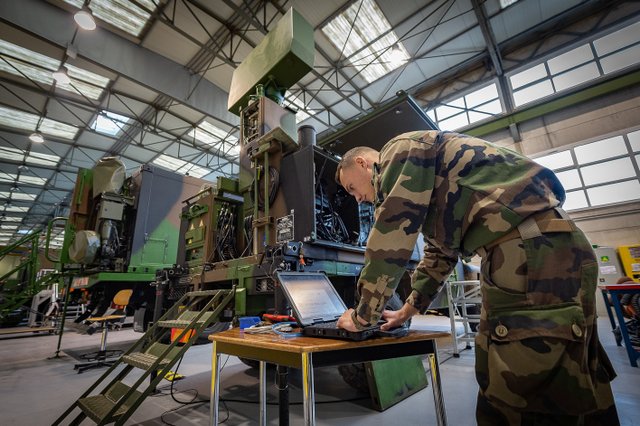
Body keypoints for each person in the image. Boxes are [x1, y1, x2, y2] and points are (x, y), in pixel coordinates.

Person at [334, 130, 618, 425]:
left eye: (352, 187)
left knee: (517, 389)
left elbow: (391, 238)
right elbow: (441, 251)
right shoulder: (428, 178)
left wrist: (363, 316)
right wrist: (408, 310)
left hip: (532, 252)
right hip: (545, 246)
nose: (357, 199)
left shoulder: (398, 151)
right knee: (576, 372)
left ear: (363, 163)